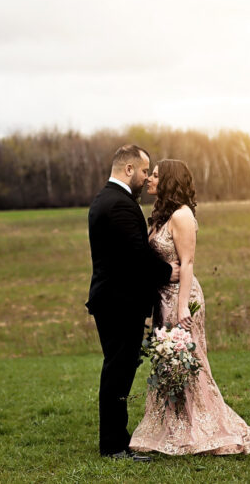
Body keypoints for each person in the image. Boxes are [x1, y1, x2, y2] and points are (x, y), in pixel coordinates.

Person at [129, 159, 250, 455]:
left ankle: (201, 426)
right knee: (168, 362)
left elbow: (188, 263)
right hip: (162, 297)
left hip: (182, 297)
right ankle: (171, 426)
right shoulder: (161, 215)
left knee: (188, 362)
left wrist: (182, 309)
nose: (150, 179)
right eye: (150, 174)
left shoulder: (182, 215)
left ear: (169, 181)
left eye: (155, 175)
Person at [86, 144, 179, 462]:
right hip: (118, 302)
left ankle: (117, 440)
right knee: (117, 372)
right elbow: (137, 256)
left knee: (120, 370)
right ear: (128, 170)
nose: (145, 178)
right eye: (143, 171)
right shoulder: (119, 205)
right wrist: (170, 271)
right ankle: (112, 446)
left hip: (113, 300)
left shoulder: (106, 199)